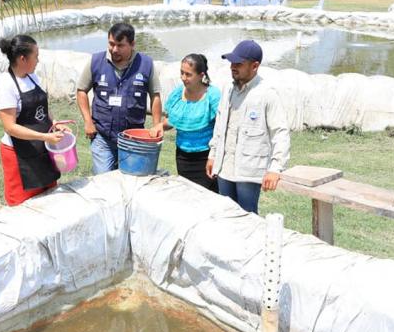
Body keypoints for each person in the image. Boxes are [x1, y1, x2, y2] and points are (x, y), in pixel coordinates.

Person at [206, 40, 290, 214]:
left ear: (255, 66)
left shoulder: (266, 94)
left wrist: (275, 169)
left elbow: (280, 133)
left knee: (248, 217)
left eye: (239, 64)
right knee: (226, 214)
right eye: (231, 63)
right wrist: (213, 154)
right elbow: (220, 126)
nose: (232, 67)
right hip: (225, 168)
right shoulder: (229, 91)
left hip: (249, 171)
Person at [0, 35, 71, 206]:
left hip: (42, 150)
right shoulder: (6, 85)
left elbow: (42, 109)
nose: (38, 60)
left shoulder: (32, 78)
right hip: (19, 155)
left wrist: (55, 124)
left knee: (49, 200)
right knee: (23, 206)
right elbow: (10, 127)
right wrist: (45, 137)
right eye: (35, 56)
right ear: (22, 59)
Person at [76, 23, 164, 174]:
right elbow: (81, 90)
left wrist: (156, 125)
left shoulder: (146, 64)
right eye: (111, 44)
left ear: (132, 44)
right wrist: (88, 121)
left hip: (133, 138)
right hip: (103, 137)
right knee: (104, 179)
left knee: (132, 178)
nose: (114, 49)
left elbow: (155, 95)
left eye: (120, 45)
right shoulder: (96, 61)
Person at [159, 54, 221, 191]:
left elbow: (221, 127)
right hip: (183, 156)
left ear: (201, 75)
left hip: (205, 157)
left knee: (207, 196)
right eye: (182, 73)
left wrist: (215, 156)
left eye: (188, 74)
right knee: (187, 194)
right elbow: (173, 120)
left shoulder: (212, 96)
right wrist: (160, 127)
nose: (183, 78)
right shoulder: (177, 94)